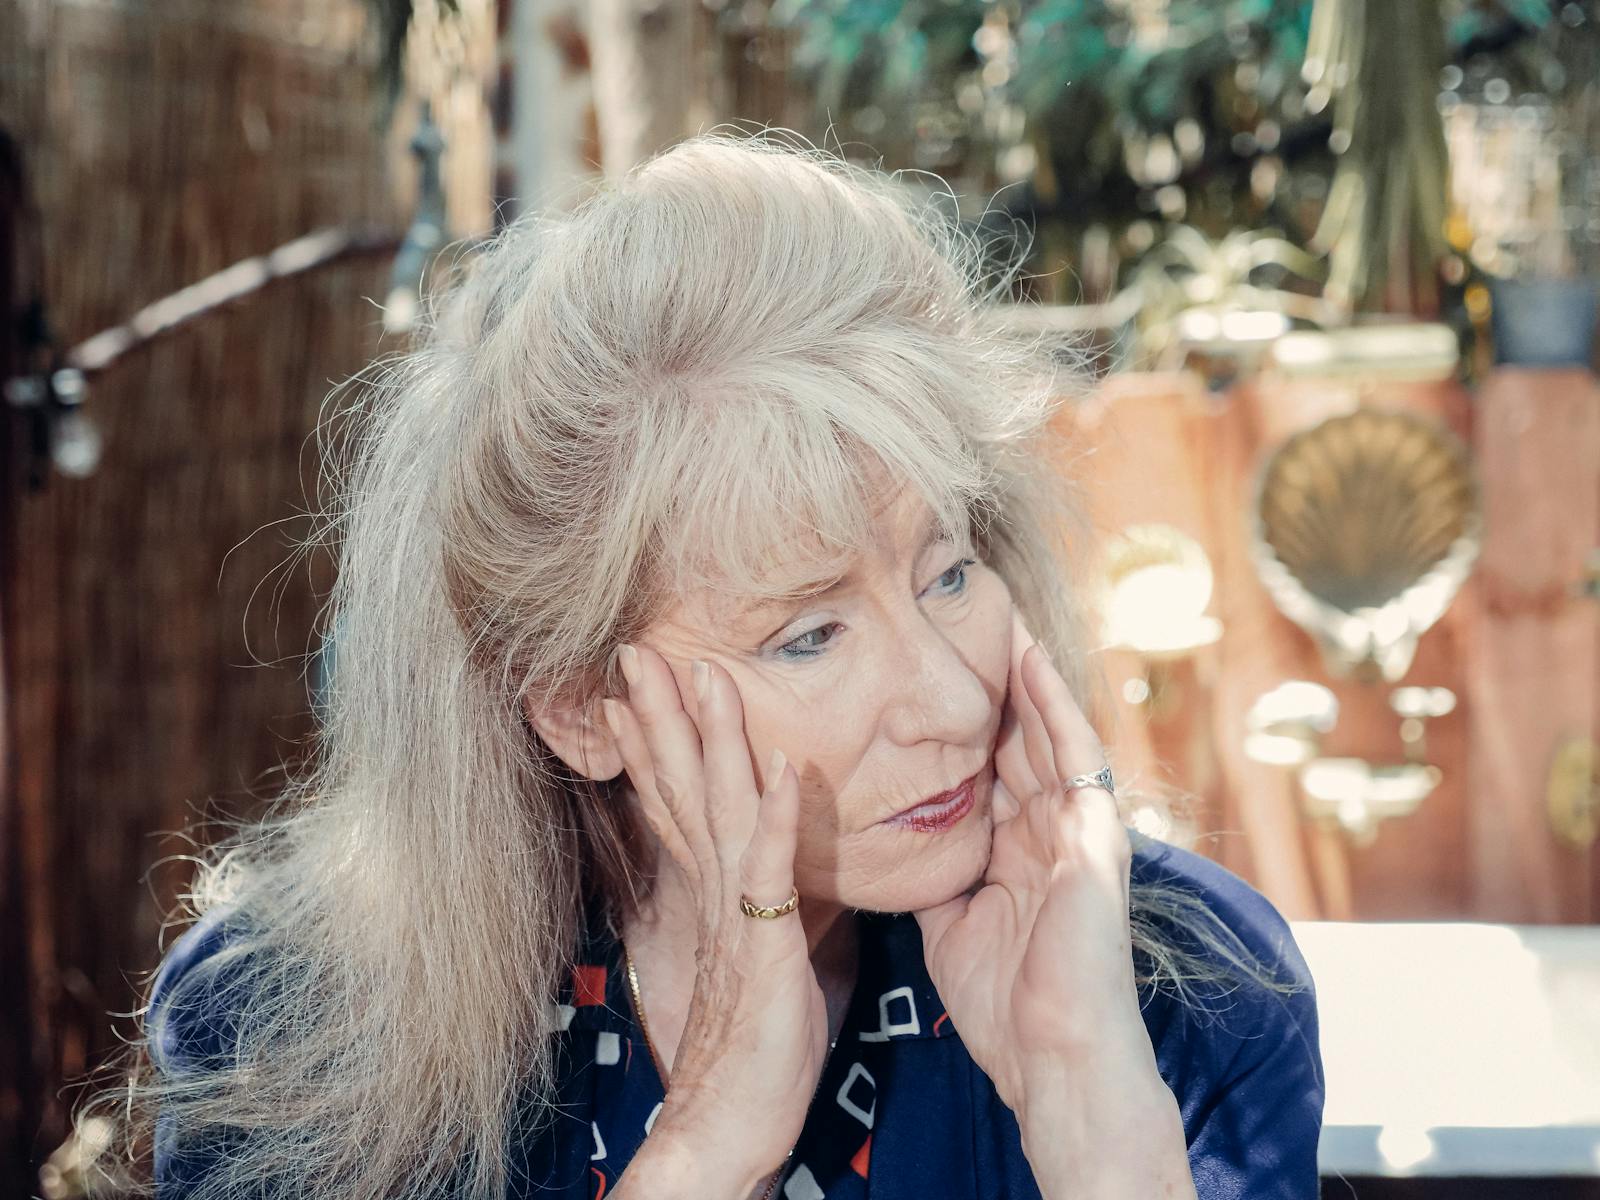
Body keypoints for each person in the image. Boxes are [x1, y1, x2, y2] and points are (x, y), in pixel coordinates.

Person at [76, 130, 1323, 1200]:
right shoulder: (288, 1029)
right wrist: (706, 1147)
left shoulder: (1187, 989)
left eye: (947, 572)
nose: (954, 700)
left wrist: (1091, 1116)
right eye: (809, 634)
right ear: (578, 708)